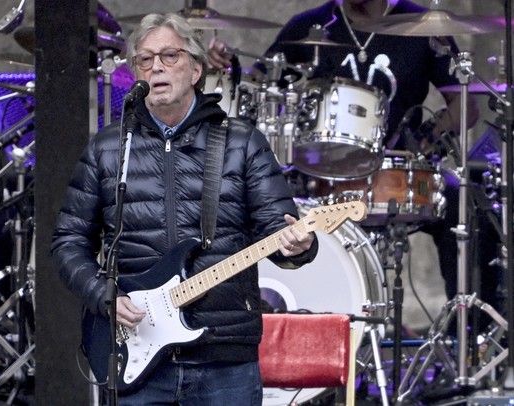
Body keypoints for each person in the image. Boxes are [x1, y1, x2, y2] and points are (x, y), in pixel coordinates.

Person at [51, 12, 318, 405]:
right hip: (136, 357)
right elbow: (68, 241)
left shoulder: (242, 143)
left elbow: (277, 232)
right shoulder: (109, 147)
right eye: (145, 59)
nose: (156, 66)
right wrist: (101, 294)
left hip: (224, 358)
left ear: (195, 70)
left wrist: (297, 247)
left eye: (169, 56)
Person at [209, 0, 503, 330]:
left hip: (395, 171)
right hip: (317, 178)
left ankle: (468, 337)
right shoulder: (309, 25)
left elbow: (465, 107)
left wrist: (422, 142)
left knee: (466, 205)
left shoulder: (425, 25)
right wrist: (228, 69)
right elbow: (260, 86)